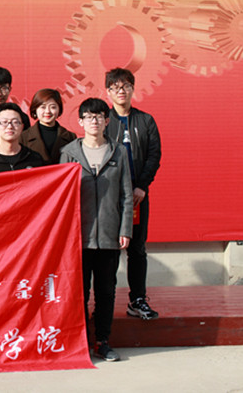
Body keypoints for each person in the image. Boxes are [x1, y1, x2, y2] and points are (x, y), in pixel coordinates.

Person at [60, 97, 133, 363]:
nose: (94, 121)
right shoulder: (69, 152)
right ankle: (80, 342)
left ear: (106, 121)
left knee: (106, 292)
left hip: (109, 235)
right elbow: (62, 196)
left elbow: (126, 195)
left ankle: (103, 341)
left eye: (99, 116)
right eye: (89, 117)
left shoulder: (118, 152)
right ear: (80, 122)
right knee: (78, 292)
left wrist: (125, 229)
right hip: (79, 235)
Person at [105, 67, 162, 321]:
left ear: (132, 89)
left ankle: (137, 299)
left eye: (126, 86)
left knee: (137, 248)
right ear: (108, 91)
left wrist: (142, 186)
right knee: (108, 250)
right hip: (109, 198)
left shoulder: (146, 120)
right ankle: (105, 302)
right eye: (116, 87)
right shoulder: (103, 120)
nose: (121, 91)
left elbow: (153, 156)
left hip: (137, 196)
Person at [0, 103, 46, 175]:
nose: (10, 126)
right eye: (4, 122)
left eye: (15, 122)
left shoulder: (34, 159)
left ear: (22, 127)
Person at [20, 88, 77, 164]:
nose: (47, 111)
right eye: (43, 107)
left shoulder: (70, 137)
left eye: (53, 107)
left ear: (59, 109)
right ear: (35, 109)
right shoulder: (23, 137)